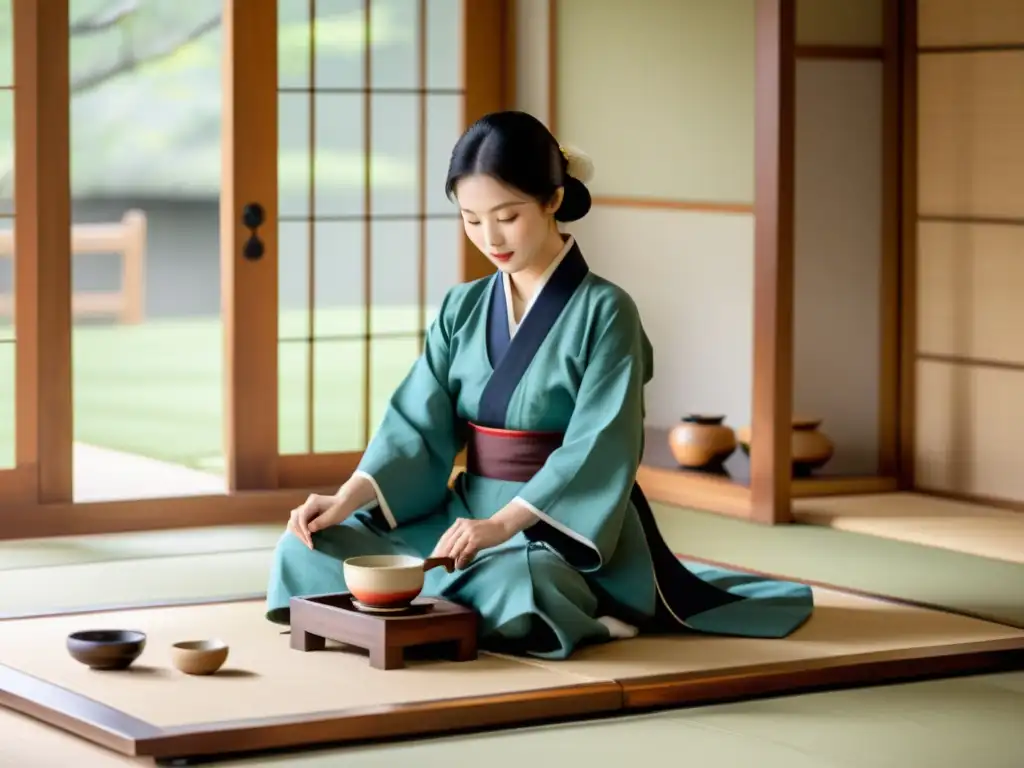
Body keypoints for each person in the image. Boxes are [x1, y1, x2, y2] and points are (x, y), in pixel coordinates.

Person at [265, 110, 814, 659]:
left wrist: (502, 526)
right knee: (306, 547)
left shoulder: (607, 311)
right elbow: (414, 425)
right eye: (472, 219)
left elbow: (599, 446)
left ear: (553, 200)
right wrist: (345, 498)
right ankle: (448, 601)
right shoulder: (463, 306)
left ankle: (588, 605)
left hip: (559, 525)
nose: (490, 237)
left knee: (520, 585)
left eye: (507, 215)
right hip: (466, 516)